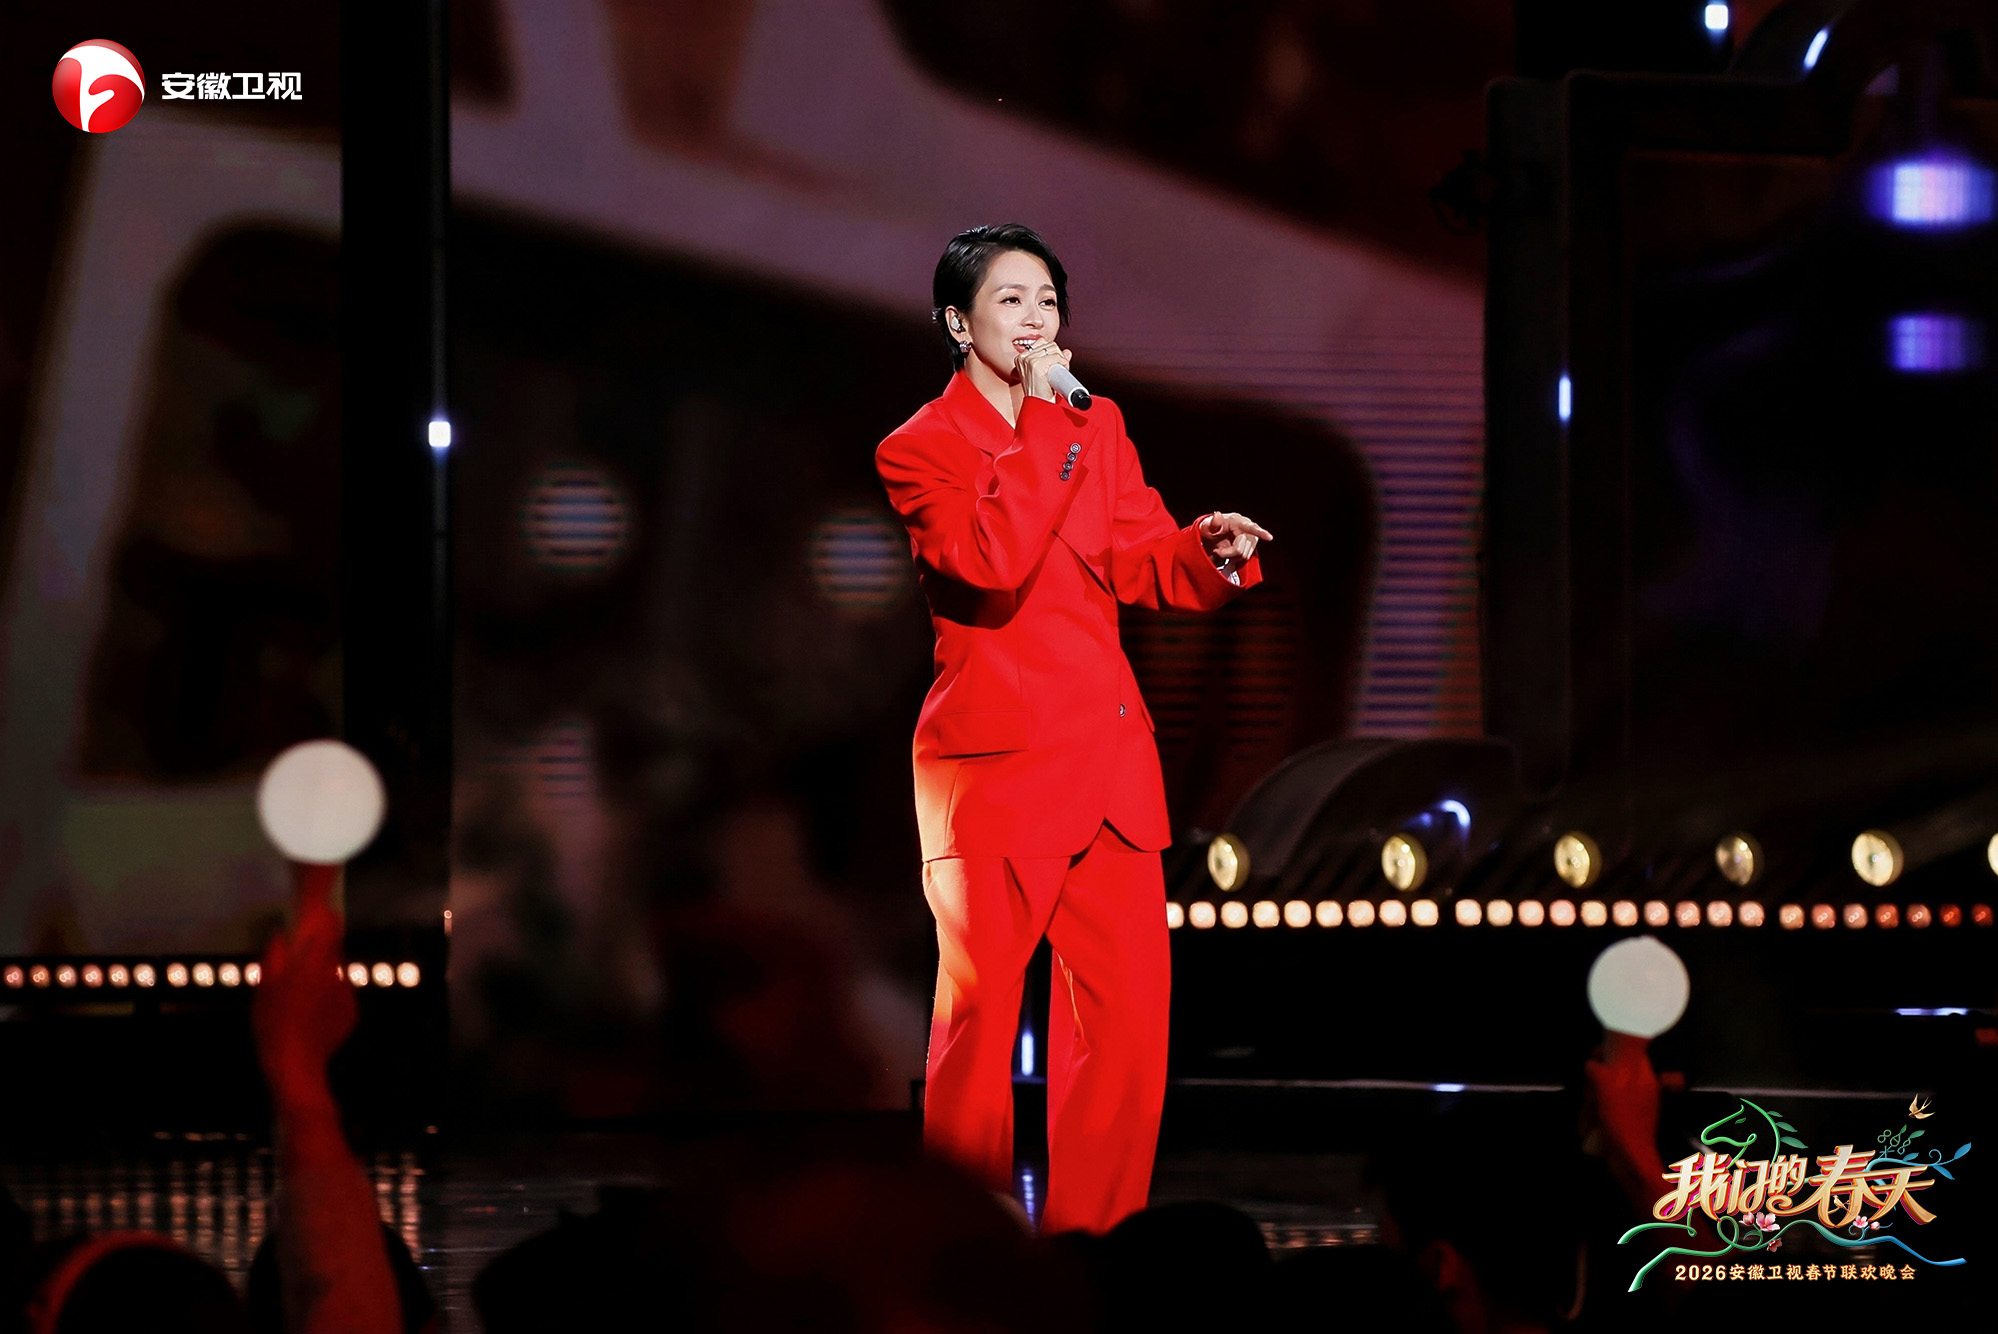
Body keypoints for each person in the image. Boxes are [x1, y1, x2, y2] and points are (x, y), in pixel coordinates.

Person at [876, 223, 1270, 1234]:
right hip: (995, 771)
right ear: (958, 322)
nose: (1035, 318)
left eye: (1047, 299)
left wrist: (1207, 552)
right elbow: (991, 562)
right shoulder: (921, 446)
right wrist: (1051, 426)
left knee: (1125, 1031)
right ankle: (962, 1246)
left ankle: (1099, 1244)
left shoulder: (1099, 426)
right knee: (979, 1023)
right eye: (1010, 299)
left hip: (1108, 768)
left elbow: (1139, 557)